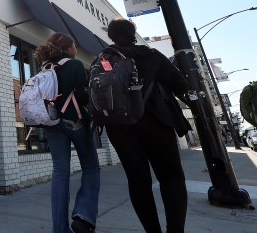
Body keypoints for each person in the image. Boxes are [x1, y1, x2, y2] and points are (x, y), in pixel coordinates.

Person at [103, 18, 190, 233]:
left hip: (120, 128)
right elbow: (181, 84)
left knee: (138, 183)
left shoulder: (104, 60)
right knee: (171, 177)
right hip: (156, 122)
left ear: (111, 37)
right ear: (133, 34)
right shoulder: (152, 56)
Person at [34, 33, 100, 233]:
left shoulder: (44, 68)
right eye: (74, 45)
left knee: (60, 172)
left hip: (52, 124)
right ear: (67, 48)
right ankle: (83, 214)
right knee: (90, 167)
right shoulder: (75, 64)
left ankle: (59, 229)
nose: (76, 49)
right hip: (75, 122)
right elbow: (81, 96)